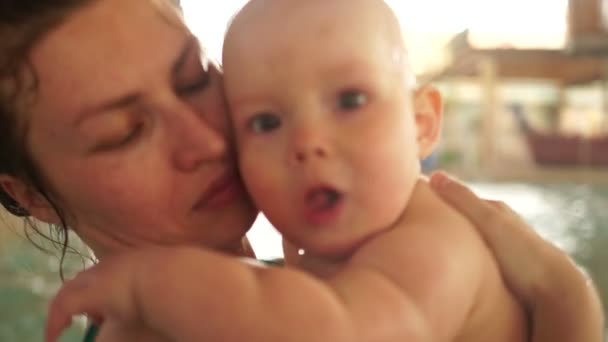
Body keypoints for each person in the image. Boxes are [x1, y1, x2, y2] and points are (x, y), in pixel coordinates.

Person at [0, 0, 600, 341]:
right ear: (31, 194)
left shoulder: (335, 276)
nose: (208, 139)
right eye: (123, 133)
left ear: (422, 123)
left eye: (195, 80)